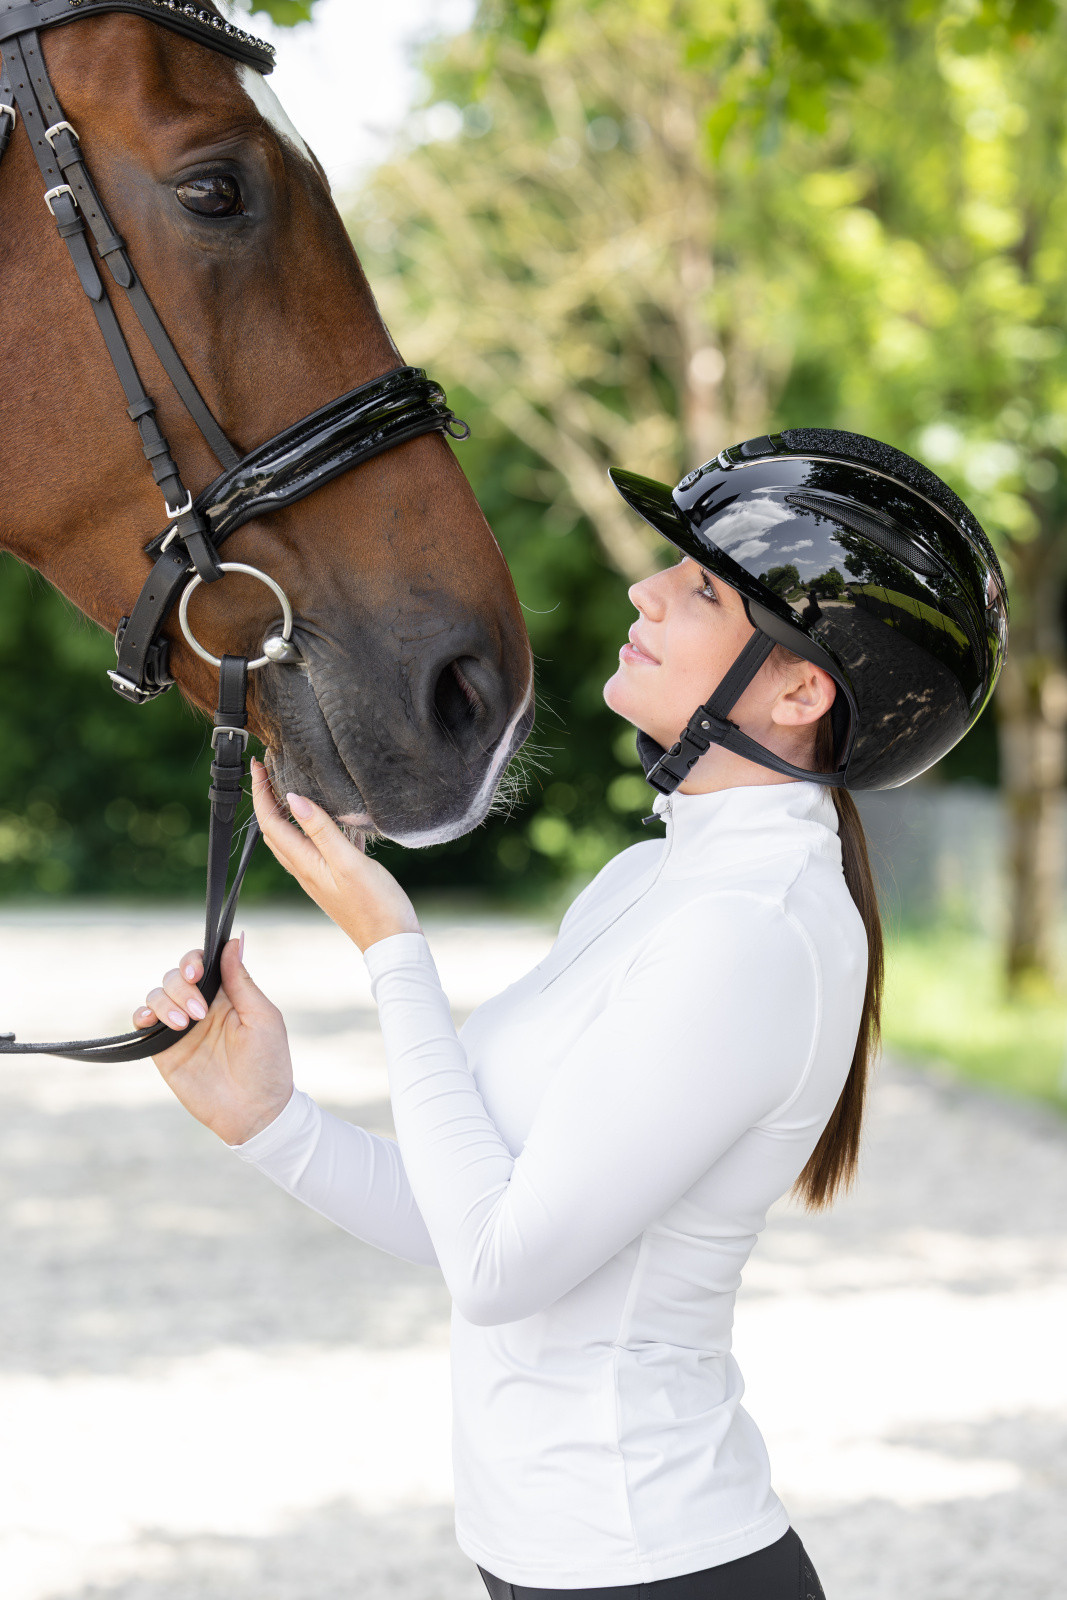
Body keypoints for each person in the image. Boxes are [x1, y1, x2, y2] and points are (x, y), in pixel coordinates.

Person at [133, 428, 1007, 1600]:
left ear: (800, 688)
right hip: (558, 1568)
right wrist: (270, 1123)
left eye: (699, 587)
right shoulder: (654, 883)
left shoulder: (756, 929)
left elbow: (499, 1270)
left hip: (654, 1569)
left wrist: (391, 948)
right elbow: (481, 1224)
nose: (644, 589)